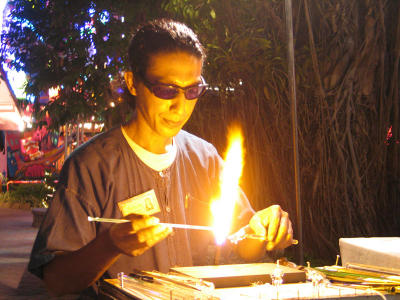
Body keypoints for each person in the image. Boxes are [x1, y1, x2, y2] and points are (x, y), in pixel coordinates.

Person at [28, 18, 294, 298]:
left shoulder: (205, 158)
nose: (179, 106)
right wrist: (110, 245)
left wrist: (262, 230)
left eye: (192, 90)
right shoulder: (91, 167)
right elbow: (56, 280)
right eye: (167, 90)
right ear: (132, 82)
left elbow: (242, 242)